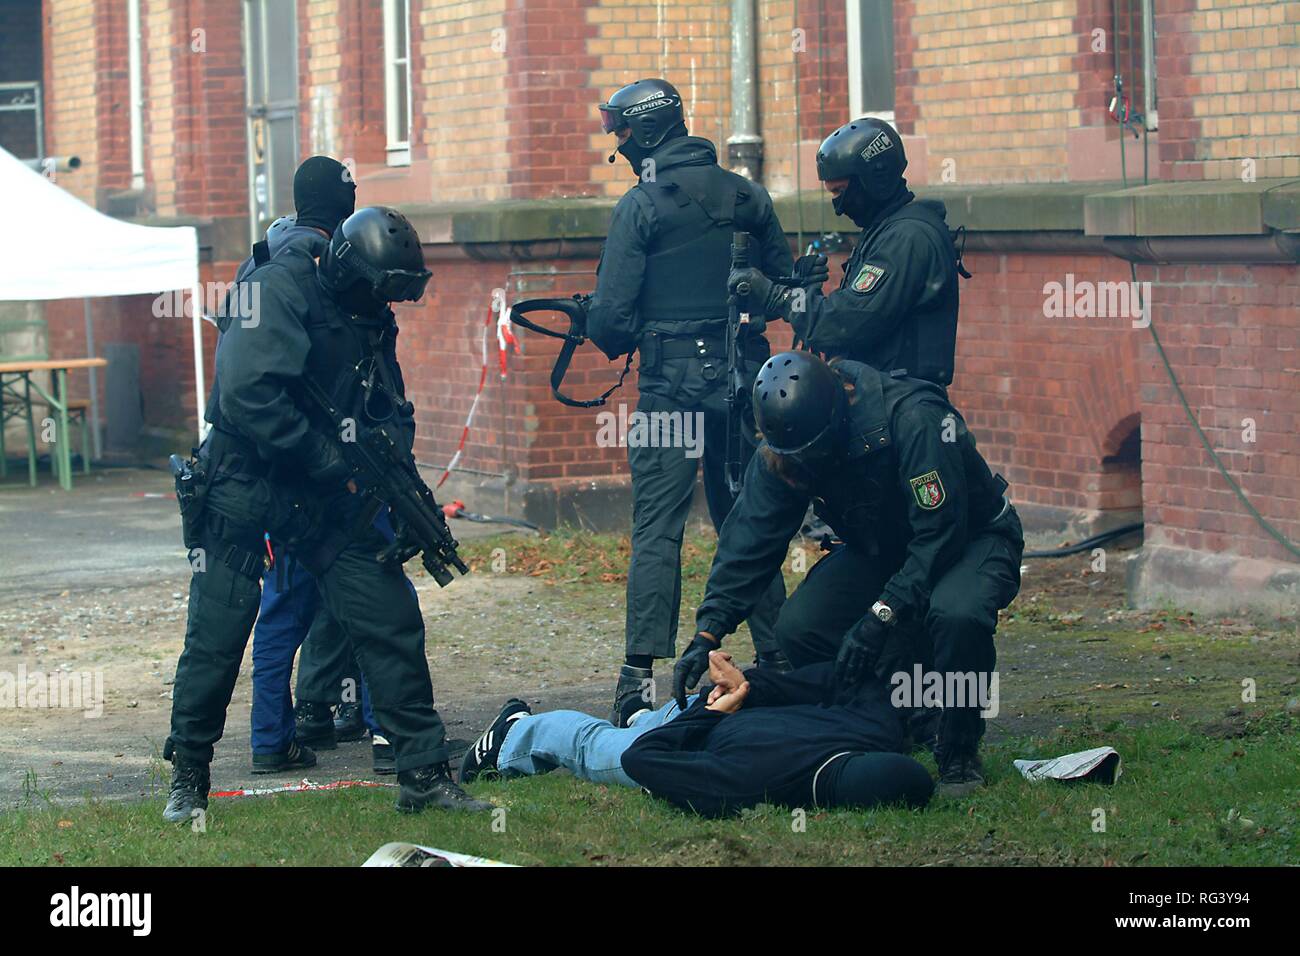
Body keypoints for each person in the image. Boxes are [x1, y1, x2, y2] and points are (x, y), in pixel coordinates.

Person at [163, 205, 491, 821]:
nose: (387, 303)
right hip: (245, 479)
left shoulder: (367, 313)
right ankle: (189, 774)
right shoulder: (278, 288)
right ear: (350, 268)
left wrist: (393, 474)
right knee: (219, 631)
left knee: (388, 614)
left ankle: (422, 772)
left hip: (324, 493)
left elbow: (382, 405)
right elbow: (248, 395)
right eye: (382, 289)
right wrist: (327, 458)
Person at [675, 351, 1023, 797]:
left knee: (956, 614)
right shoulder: (789, 445)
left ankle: (958, 750)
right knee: (799, 627)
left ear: (837, 416)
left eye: (814, 454)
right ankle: (896, 714)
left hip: (970, 539)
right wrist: (707, 632)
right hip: (885, 549)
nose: (808, 464)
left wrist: (881, 615)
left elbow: (939, 538)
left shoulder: (914, 418)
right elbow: (749, 541)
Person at [587, 77, 810, 727]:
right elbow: (786, 286)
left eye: (622, 130)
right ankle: (778, 660)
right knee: (753, 518)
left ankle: (636, 682)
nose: (618, 142)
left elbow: (609, 323)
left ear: (648, 130)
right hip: (746, 387)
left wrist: (601, 320)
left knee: (659, 528)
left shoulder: (641, 205)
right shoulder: (748, 196)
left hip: (670, 390)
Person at [459, 650, 932, 818]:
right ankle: (514, 734)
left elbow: (646, 761)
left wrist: (740, 687)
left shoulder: (877, 721)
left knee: (638, 733)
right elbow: (641, 760)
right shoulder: (759, 779)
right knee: (591, 746)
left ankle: (641, 716)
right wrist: (732, 697)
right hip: (699, 721)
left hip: (701, 712)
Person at [727, 118, 965, 387]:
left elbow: (843, 324)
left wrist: (777, 296)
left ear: (874, 179)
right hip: (884, 400)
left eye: (840, 191)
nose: (839, 207)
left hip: (903, 408)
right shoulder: (886, 231)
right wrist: (806, 291)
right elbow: (849, 311)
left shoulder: (907, 238)